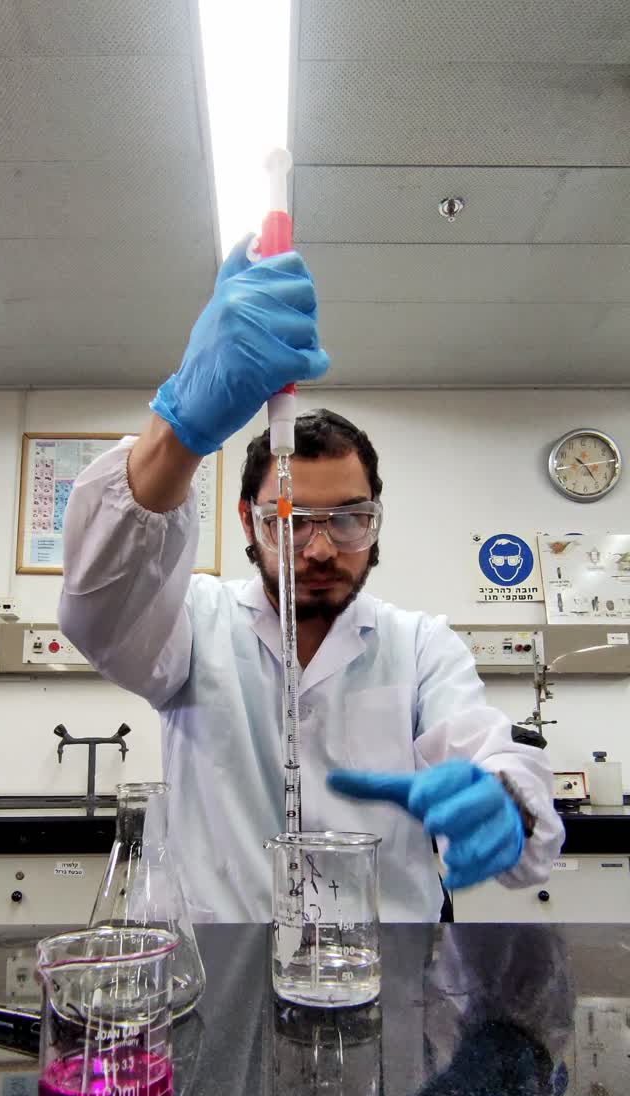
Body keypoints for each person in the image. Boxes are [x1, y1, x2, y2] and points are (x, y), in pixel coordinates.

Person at [60, 237, 564, 922]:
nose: (321, 548)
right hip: (223, 962)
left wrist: (504, 800)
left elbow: (487, 754)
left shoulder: (419, 645)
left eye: (350, 519)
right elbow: (97, 615)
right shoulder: (192, 623)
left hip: (387, 963)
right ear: (248, 521)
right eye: (290, 521)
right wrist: (177, 433)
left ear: (378, 518)